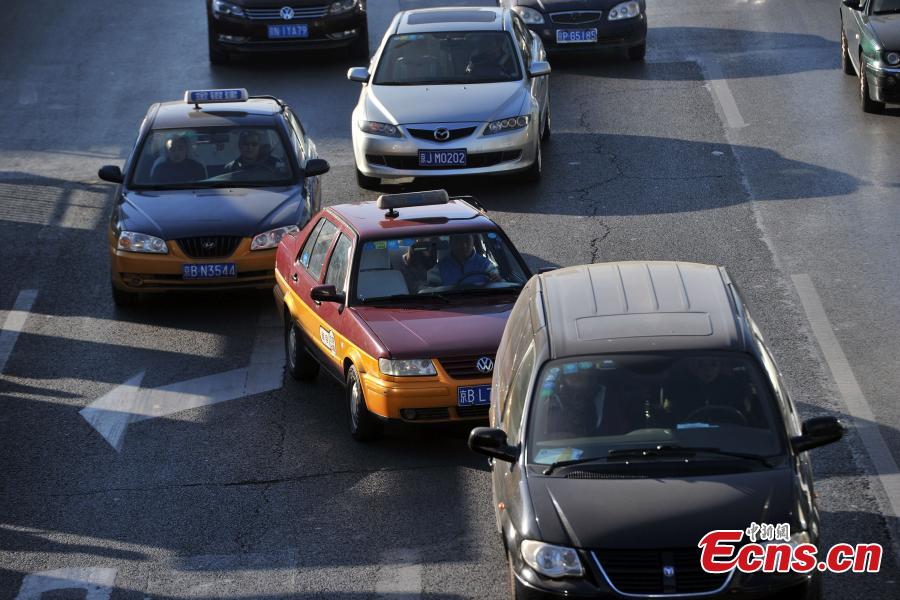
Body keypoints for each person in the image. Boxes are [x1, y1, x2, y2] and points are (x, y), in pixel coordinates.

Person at [436, 234, 501, 286]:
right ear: (451, 243)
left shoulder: (486, 265)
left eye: (467, 240)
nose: (464, 245)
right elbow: (432, 291)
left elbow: (500, 283)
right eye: (458, 240)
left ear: (473, 242)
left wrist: (497, 279)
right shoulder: (438, 269)